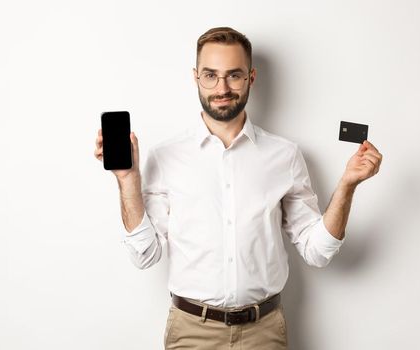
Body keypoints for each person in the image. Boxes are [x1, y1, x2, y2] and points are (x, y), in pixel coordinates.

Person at [92, 27, 383, 349]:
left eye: (234, 75)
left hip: (265, 332)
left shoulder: (284, 155)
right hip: (191, 332)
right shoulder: (166, 156)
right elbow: (145, 255)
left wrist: (347, 186)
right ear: (195, 77)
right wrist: (127, 180)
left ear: (251, 78)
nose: (222, 87)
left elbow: (317, 252)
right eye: (210, 75)